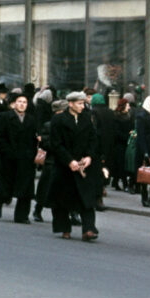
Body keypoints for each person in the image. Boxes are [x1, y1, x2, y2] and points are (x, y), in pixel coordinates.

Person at [48, 91, 100, 239]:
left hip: (83, 165)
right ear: (70, 104)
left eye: (83, 103)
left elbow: (93, 139)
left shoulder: (87, 119)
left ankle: (89, 229)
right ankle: (64, 228)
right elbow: (56, 144)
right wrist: (69, 161)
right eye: (79, 103)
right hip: (64, 166)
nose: (82, 106)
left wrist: (89, 156)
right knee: (62, 199)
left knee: (87, 198)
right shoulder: (58, 120)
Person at [0, 93, 40, 224]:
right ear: (13, 104)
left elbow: (33, 138)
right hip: (9, 158)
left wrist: (32, 153)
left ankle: (22, 216)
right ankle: (0, 200)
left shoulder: (31, 119)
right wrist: (7, 152)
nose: (22, 104)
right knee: (6, 186)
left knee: (26, 189)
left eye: (25, 102)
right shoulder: (4, 117)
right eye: (19, 101)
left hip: (26, 159)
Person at [34, 99, 69, 222]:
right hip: (52, 161)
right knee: (46, 187)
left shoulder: (70, 124)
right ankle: (38, 209)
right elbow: (45, 143)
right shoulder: (49, 125)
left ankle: (73, 214)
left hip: (66, 162)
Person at [109, 98, 133, 192]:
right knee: (121, 164)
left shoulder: (128, 116)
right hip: (119, 144)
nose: (129, 107)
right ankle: (125, 184)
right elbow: (116, 132)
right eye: (127, 105)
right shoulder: (116, 117)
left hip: (125, 143)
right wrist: (128, 135)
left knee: (120, 164)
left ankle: (115, 182)